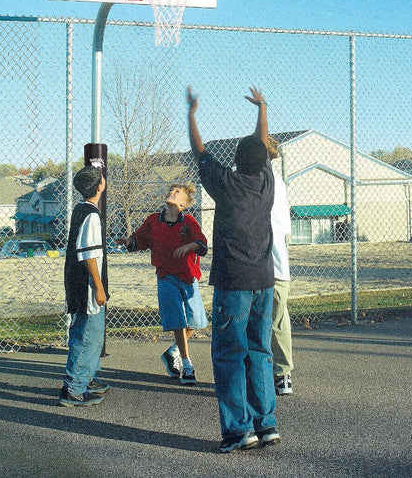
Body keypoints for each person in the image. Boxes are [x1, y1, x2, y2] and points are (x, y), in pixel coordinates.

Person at [187, 85, 281, 453]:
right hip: (264, 280)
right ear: (263, 163)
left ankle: (239, 430)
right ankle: (266, 423)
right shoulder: (266, 183)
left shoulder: (226, 184)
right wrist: (262, 107)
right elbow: (261, 143)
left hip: (234, 283)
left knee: (229, 353)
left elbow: (200, 152)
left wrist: (192, 115)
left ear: (237, 161)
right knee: (260, 351)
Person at [116, 183, 208, 385]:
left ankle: (173, 351)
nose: (171, 193)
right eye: (170, 191)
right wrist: (129, 242)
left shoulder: (189, 221)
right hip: (166, 276)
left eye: (177, 193)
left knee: (196, 321)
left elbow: (202, 243)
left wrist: (189, 246)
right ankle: (187, 364)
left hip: (188, 276)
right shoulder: (153, 220)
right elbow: (139, 240)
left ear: (183, 203)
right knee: (177, 320)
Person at [59, 165, 110, 407]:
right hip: (88, 286)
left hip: (78, 282)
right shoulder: (91, 215)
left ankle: (87, 377)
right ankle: (74, 389)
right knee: (87, 336)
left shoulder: (80, 209)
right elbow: (89, 255)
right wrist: (99, 288)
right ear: (100, 186)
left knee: (90, 334)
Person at [266, 135, 294, 395]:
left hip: (274, 265)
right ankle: (267, 372)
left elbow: (281, 228)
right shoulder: (247, 179)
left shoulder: (274, 182)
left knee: (277, 318)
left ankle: (282, 372)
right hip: (252, 264)